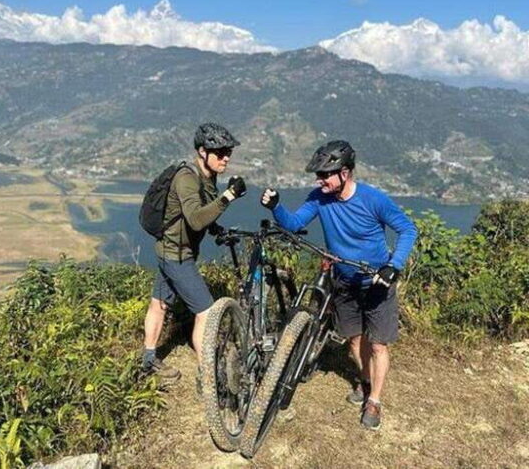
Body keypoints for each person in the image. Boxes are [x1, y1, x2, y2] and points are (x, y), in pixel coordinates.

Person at [260, 140, 417, 430]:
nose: (319, 180)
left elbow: (407, 229)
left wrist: (394, 266)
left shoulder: (373, 199)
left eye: (324, 175)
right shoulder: (319, 198)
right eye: (317, 175)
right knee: (355, 340)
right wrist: (276, 207)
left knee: (378, 345)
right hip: (344, 282)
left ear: (344, 173)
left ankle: (375, 401)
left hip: (377, 283)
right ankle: (365, 380)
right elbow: (294, 223)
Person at [142, 123, 246, 390]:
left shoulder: (207, 176)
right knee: (207, 313)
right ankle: (208, 377)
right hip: (176, 257)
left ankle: (148, 360)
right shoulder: (187, 178)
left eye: (228, 152)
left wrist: (216, 228)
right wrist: (229, 196)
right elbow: (196, 219)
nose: (226, 157)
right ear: (202, 151)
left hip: (169, 251)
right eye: (220, 152)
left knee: (159, 304)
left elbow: (201, 211)